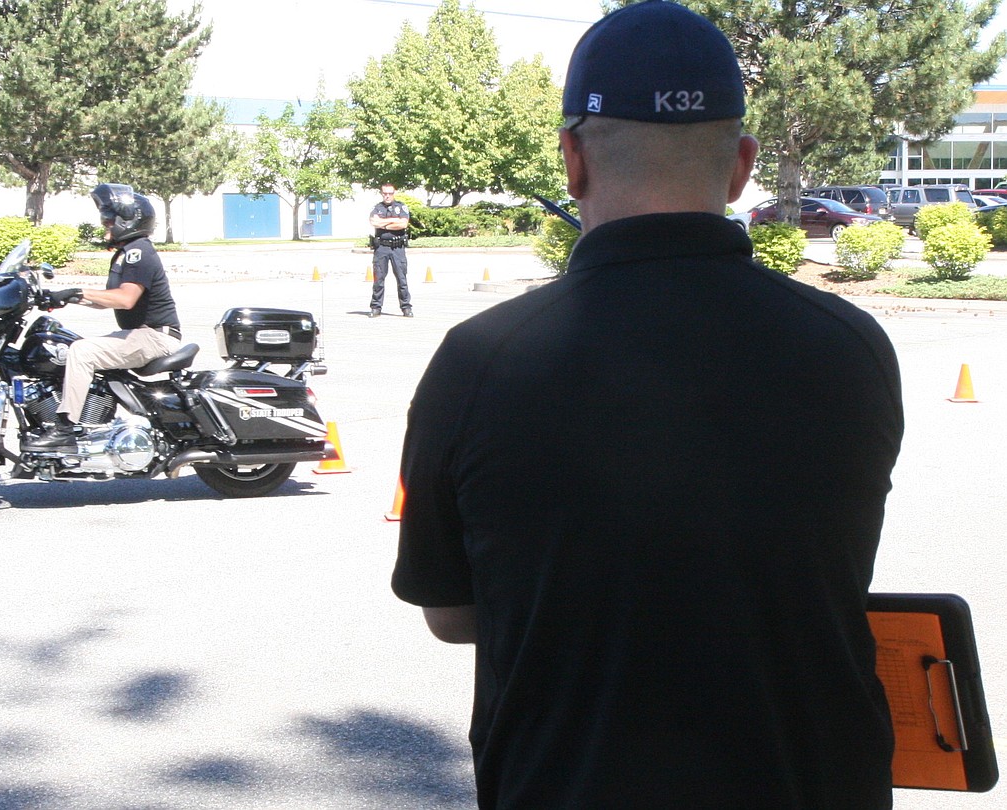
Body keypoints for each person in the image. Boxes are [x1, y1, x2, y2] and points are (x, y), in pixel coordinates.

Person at [390, 2, 904, 808]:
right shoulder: (851, 345)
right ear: (740, 164)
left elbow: (451, 614)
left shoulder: (481, 360)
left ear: (572, 160)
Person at [25, 183, 182, 451]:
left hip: (155, 336)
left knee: (82, 351)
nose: (104, 224)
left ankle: (66, 427)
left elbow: (124, 298)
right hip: (142, 335)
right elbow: (109, 298)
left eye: (109, 219)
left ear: (128, 220)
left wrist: (77, 291)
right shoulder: (126, 253)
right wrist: (65, 298)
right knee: (66, 345)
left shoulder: (138, 252)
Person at [368, 183, 412, 317]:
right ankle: (376, 307)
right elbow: (374, 222)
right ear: (382, 193)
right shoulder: (377, 208)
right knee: (378, 279)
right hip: (381, 247)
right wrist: (393, 221)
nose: (387, 196)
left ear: (394, 193)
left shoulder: (401, 207)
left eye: (390, 193)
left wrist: (384, 223)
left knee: (402, 279)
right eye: (385, 193)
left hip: (397, 248)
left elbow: (403, 223)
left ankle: (406, 307)